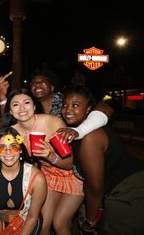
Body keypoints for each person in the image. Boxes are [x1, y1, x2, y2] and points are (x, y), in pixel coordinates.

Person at [0, 88, 84, 235]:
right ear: (10, 111)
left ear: (34, 106)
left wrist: (49, 155)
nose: (22, 108)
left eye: (26, 102)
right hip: (48, 176)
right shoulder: (13, 132)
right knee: (43, 225)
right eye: (16, 104)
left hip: (72, 176)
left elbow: (70, 163)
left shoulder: (52, 122)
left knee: (60, 224)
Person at [61, 86, 144, 235]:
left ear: (89, 110)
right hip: (115, 191)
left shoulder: (90, 137)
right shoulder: (75, 132)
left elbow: (95, 188)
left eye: (75, 105)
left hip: (131, 191)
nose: (68, 110)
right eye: (65, 105)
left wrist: (90, 222)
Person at [0, 127, 47, 235]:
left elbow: (32, 216)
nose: (8, 152)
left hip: (25, 227)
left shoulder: (37, 178)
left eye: (13, 146)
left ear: (21, 149)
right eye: (2, 147)